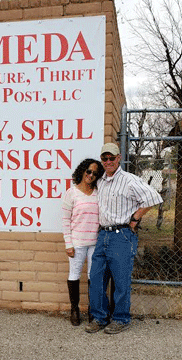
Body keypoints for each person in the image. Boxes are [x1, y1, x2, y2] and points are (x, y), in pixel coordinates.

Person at [85, 143, 163, 334]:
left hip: (122, 235)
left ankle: (120, 319)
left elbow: (153, 196)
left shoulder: (129, 180)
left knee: (120, 281)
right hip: (102, 234)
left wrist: (136, 218)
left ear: (119, 158)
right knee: (96, 278)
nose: (108, 161)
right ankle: (100, 317)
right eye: (105, 158)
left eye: (112, 158)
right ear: (101, 160)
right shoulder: (100, 181)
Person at [62, 158, 104, 326]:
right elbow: (65, 220)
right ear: (82, 171)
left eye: (95, 173)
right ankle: (75, 309)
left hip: (95, 242)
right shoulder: (71, 193)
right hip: (77, 242)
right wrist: (68, 244)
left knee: (92, 276)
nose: (91, 175)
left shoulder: (98, 192)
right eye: (88, 171)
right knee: (74, 275)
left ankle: (93, 311)